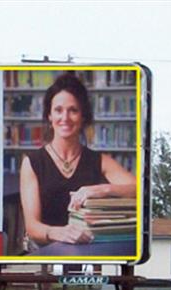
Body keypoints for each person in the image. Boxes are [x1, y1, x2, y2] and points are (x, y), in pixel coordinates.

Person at [19, 72, 136, 247]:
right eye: (58, 110)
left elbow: (141, 190)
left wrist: (101, 190)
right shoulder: (32, 162)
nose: (65, 118)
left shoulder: (99, 160)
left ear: (83, 117)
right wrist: (58, 232)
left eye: (73, 110)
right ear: (49, 116)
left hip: (90, 251)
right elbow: (32, 226)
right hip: (46, 255)